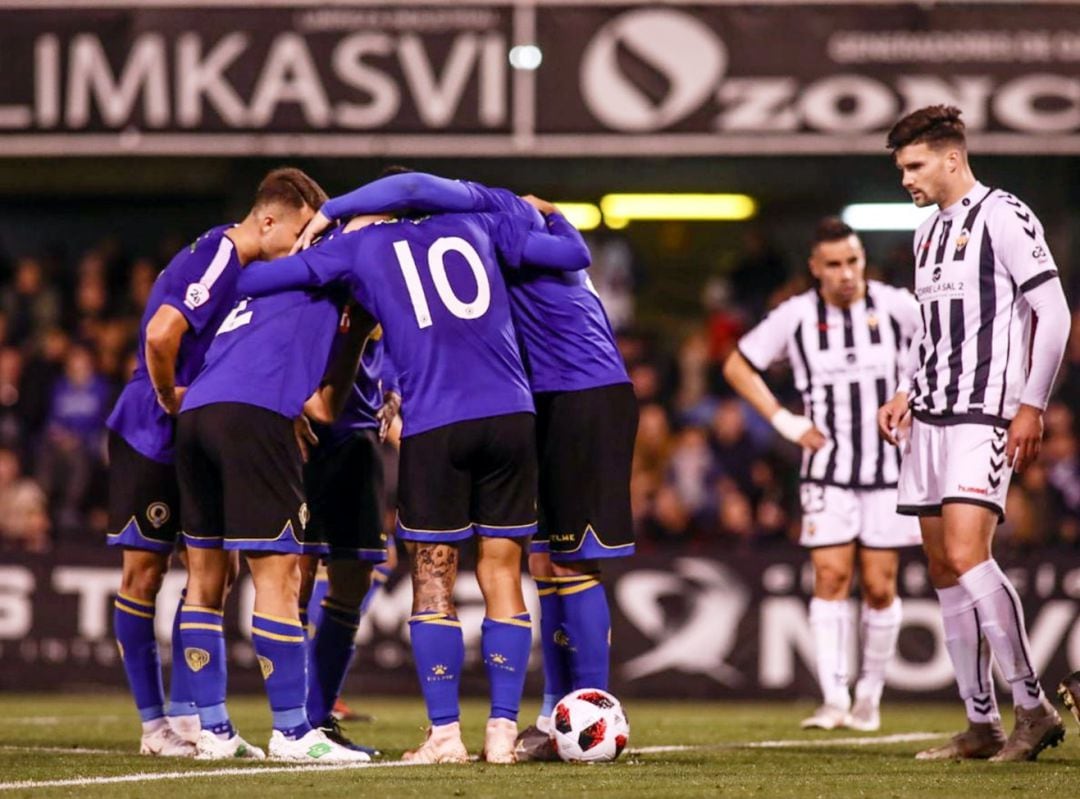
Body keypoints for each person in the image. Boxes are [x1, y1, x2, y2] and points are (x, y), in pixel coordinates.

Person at [298, 171, 637, 760]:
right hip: (539, 397)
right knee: (543, 560)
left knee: (570, 560)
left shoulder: (488, 211)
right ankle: (553, 720)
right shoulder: (477, 236)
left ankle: (587, 708)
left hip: (578, 391)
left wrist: (332, 212)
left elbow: (408, 188)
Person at [236, 201, 590, 764]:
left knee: (433, 579)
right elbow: (568, 255)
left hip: (438, 421)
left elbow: (261, 275)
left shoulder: (359, 246)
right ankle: (502, 734)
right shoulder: (478, 223)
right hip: (511, 415)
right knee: (503, 572)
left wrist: (235, 248)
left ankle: (445, 735)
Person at [105, 167, 322, 756]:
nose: (304, 245)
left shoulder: (252, 273)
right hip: (154, 428)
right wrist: (170, 396)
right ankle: (155, 726)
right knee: (144, 573)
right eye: (300, 231)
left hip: (202, 426)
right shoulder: (222, 253)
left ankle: (199, 721)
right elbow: (160, 334)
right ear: (268, 219)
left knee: (215, 571)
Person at [878, 105, 1070, 761]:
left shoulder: (1005, 215)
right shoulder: (927, 233)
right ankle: (980, 722)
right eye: (901, 167)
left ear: (952, 157)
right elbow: (932, 333)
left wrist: (1031, 404)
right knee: (940, 565)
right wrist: (906, 387)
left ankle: (1033, 706)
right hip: (929, 416)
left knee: (968, 553)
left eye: (914, 165)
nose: (906, 179)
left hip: (983, 412)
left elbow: (1055, 312)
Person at [173, 178, 376, 764]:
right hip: (253, 418)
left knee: (205, 582)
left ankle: (212, 730)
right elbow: (327, 408)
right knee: (279, 579)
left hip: (197, 416)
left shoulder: (253, 286)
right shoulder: (331, 267)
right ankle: (292, 732)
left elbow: (319, 406)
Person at [722, 217, 921, 731]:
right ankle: (834, 696)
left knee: (880, 586)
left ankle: (869, 697)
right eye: (833, 265)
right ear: (815, 269)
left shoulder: (896, 305)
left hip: (888, 468)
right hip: (827, 470)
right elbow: (738, 366)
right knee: (830, 577)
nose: (846, 273)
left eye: (852, 261)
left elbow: (939, 347)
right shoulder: (796, 316)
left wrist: (910, 395)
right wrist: (784, 419)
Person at [299, 317, 399, 752]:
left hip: (359, 437)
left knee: (356, 576)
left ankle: (318, 718)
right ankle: (290, 724)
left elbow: (391, 348)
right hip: (306, 432)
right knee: (292, 579)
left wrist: (393, 390)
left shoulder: (380, 267)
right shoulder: (310, 263)